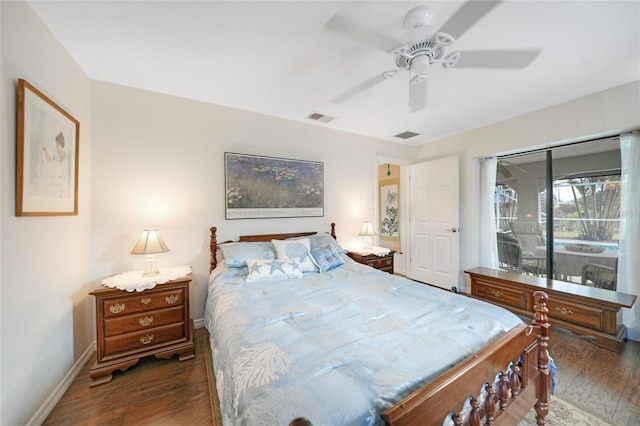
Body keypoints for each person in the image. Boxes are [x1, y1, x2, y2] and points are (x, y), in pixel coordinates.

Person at [41, 131, 68, 197]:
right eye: (56, 144)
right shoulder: (55, 151)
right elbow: (52, 162)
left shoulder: (66, 156)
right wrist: (46, 153)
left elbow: (65, 171)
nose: (56, 146)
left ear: (61, 144)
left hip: (62, 177)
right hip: (55, 172)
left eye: (57, 145)